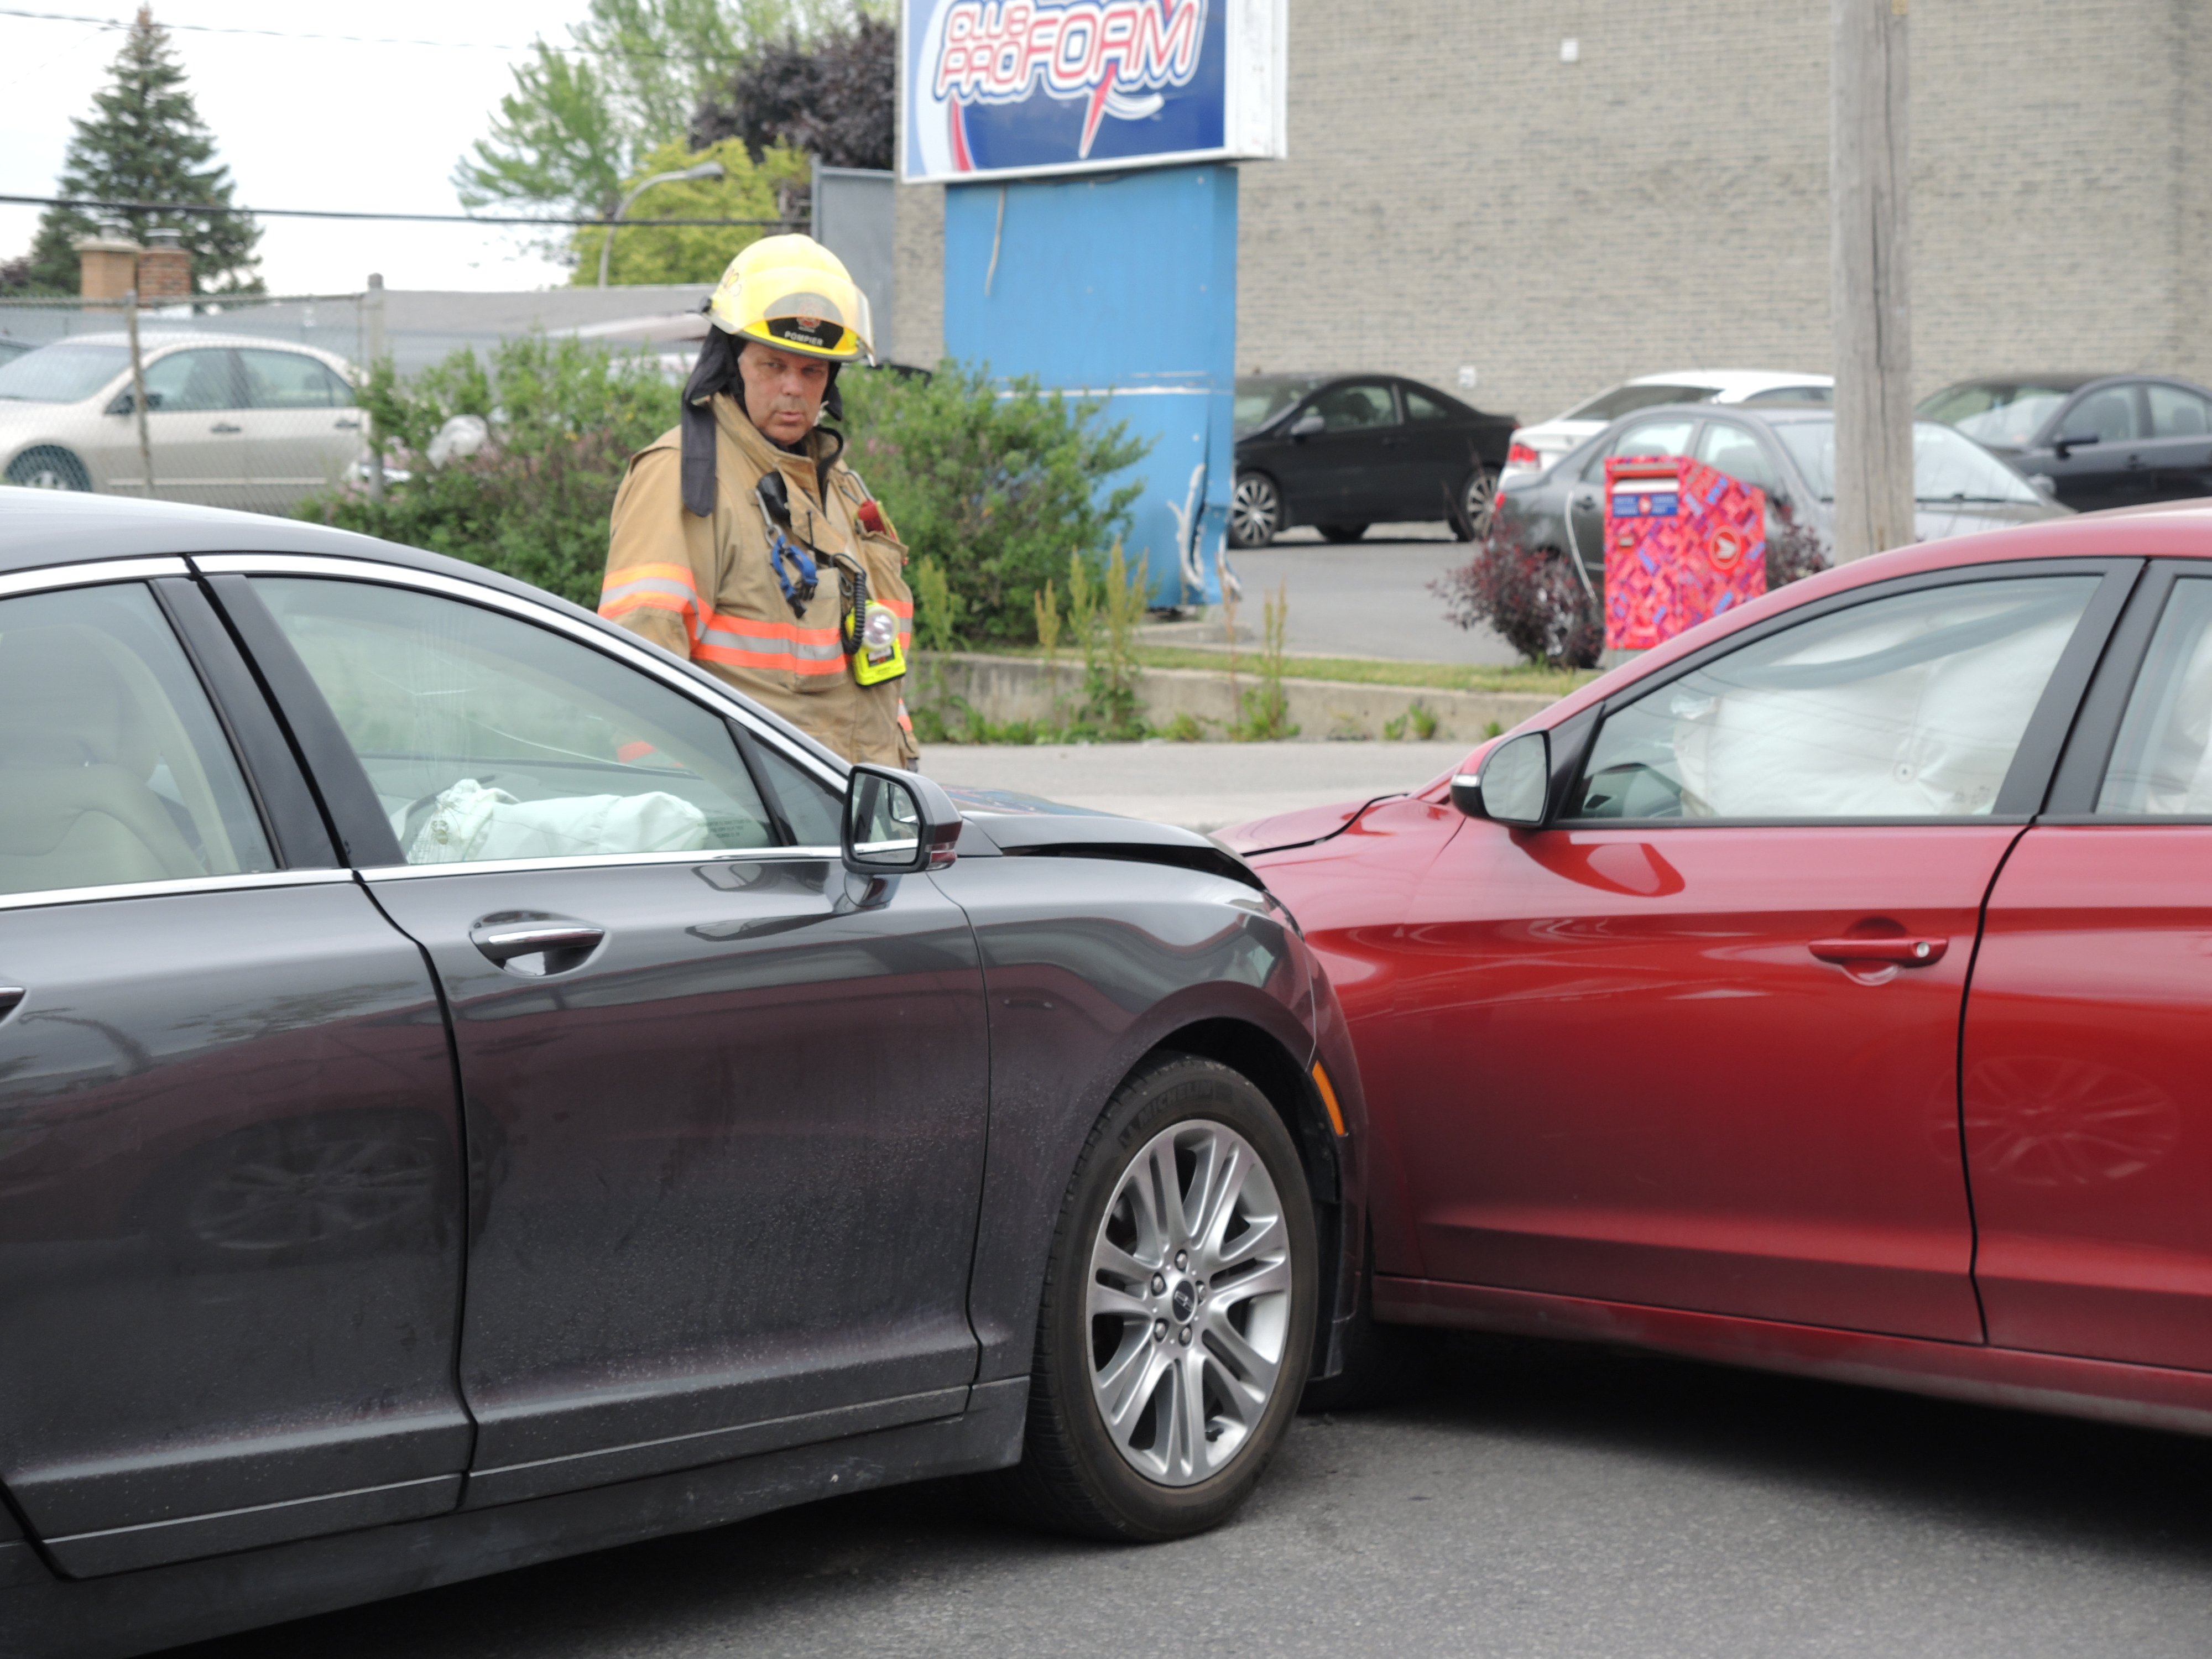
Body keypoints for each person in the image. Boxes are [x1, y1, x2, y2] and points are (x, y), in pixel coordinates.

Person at [599, 235, 915, 766]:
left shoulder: (839, 490)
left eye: (812, 370)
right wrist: (669, 810)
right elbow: (642, 656)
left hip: (850, 803)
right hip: (755, 812)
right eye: (773, 365)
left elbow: (878, 665)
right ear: (733, 362)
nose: (794, 388)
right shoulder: (685, 477)